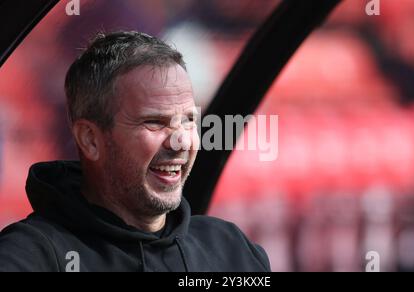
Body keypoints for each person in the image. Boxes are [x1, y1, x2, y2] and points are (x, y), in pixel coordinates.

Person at [0, 31, 271, 272]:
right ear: (90, 139)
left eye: (189, 120)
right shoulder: (32, 256)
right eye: (154, 122)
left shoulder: (231, 248)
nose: (181, 142)